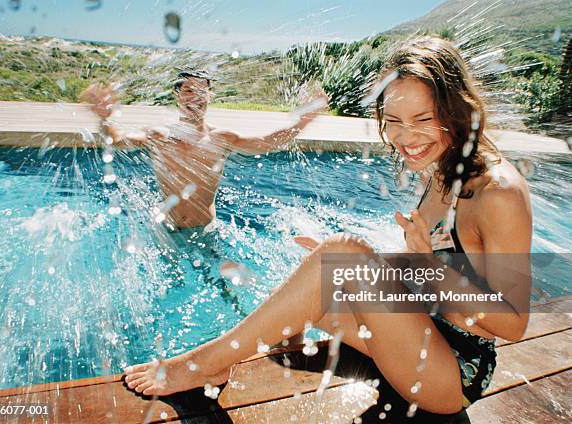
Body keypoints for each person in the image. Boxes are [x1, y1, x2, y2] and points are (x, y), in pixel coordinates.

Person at [123, 37, 532, 415]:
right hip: (424, 335)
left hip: (453, 374)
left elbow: (512, 324)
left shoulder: (497, 193)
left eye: (422, 118)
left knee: (342, 255)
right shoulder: (443, 169)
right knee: (307, 286)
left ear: (455, 109)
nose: (406, 137)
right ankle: (218, 363)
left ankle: (201, 365)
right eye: (393, 121)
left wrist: (424, 265)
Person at [80, 70, 328, 229]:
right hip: (166, 230)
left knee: (225, 294)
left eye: (201, 90)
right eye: (188, 90)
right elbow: (118, 140)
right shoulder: (158, 135)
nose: (195, 96)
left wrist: (305, 120)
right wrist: (105, 120)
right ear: (177, 95)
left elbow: (270, 142)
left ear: (210, 95)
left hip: (206, 231)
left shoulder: (222, 138)